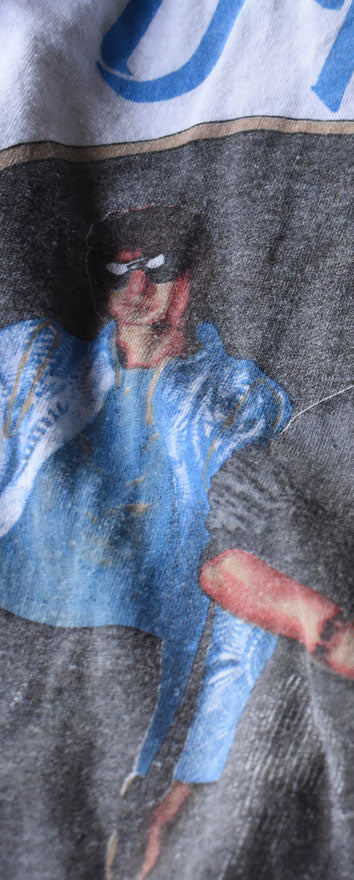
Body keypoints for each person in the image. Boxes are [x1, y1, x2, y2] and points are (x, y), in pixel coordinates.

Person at [0, 205, 291, 801]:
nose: (136, 288)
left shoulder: (240, 397)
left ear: (191, 278)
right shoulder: (34, 358)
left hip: (135, 649)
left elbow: (245, 563)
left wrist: (203, 761)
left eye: (156, 268)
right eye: (118, 271)